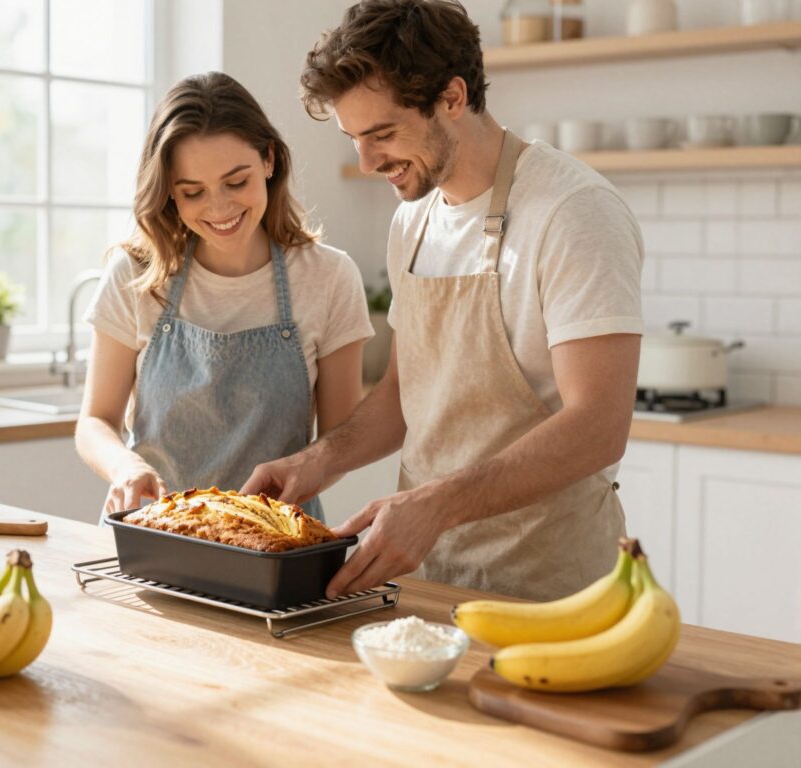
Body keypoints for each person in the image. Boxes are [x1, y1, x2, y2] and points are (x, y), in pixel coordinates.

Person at [242, 0, 644, 601]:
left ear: (452, 98)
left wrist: (434, 506)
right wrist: (316, 462)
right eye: (355, 138)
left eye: (381, 134)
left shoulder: (572, 211)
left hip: (548, 583)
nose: (367, 161)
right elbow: (406, 393)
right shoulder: (415, 222)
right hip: (424, 577)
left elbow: (599, 427)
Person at [76, 72, 373, 523]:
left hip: (273, 542)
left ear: (269, 159)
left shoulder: (329, 278)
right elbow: (95, 421)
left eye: (236, 182)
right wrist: (126, 465)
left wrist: (281, 490)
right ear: (169, 193)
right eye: (192, 192)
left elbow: (340, 441)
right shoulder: (135, 275)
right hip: (153, 532)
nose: (219, 209)